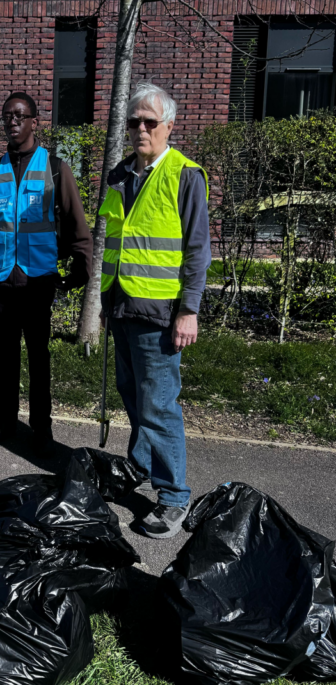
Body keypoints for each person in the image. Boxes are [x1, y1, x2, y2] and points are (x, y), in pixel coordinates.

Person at [99, 82, 211, 539]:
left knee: (159, 405)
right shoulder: (121, 174)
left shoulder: (185, 175)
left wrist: (189, 310)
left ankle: (173, 496)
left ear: (169, 126)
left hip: (160, 313)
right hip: (123, 305)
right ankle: (141, 466)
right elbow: (116, 244)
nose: (141, 129)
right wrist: (107, 301)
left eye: (150, 121)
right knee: (132, 395)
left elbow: (197, 250)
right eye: (134, 122)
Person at [0, 91, 94, 457]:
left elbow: (77, 226)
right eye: (7, 115)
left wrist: (81, 269)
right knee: (5, 357)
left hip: (38, 282)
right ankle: (5, 420)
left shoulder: (55, 169)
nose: (12, 121)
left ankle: (42, 427)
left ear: (34, 122)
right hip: (1, 282)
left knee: (39, 359)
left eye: (20, 115)